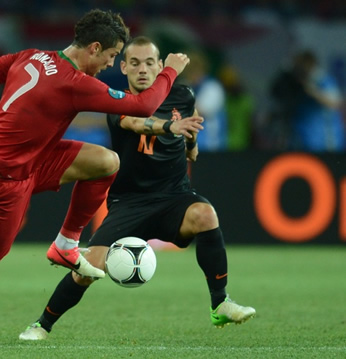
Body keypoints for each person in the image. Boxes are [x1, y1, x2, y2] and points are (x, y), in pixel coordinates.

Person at [0, 9, 192, 345]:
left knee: (105, 161)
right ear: (95, 48)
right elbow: (145, 105)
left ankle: (66, 244)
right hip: (0, 186)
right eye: (112, 56)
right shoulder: (76, 84)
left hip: (31, 163)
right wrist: (170, 69)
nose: (108, 65)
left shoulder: (32, 57)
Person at [19, 36, 256, 341]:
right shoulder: (115, 99)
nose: (142, 69)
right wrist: (171, 127)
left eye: (148, 63)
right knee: (88, 267)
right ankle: (41, 325)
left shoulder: (183, 94)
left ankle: (220, 303)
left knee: (205, 214)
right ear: (123, 67)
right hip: (129, 202)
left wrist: (191, 142)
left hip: (174, 196)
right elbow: (132, 123)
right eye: (134, 63)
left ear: (160, 66)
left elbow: (188, 130)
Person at [179, 49, 227, 151]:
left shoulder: (213, 88)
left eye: (191, 70)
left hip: (211, 147)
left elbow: (199, 112)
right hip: (189, 147)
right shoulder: (188, 86)